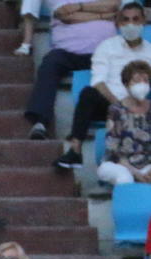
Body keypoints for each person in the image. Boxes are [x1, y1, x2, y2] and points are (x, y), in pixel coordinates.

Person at [55, 1, 151, 169]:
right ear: (119, 23)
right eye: (125, 20)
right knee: (88, 93)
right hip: (110, 105)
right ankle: (75, 151)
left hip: (141, 106)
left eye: (136, 19)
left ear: (143, 21)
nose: (131, 24)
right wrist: (119, 105)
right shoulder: (107, 47)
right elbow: (98, 81)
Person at [23, 0, 117, 140]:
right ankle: (40, 122)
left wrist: (79, 8)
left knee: (127, 67)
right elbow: (66, 15)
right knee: (50, 63)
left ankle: (121, 121)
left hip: (105, 51)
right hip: (67, 52)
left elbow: (114, 5)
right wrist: (103, 14)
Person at [96, 59, 151, 184]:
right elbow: (114, 151)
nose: (142, 84)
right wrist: (135, 173)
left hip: (146, 164)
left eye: (146, 80)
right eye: (137, 81)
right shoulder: (116, 110)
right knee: (125, 179)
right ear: (126, 84)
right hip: (119, 164)